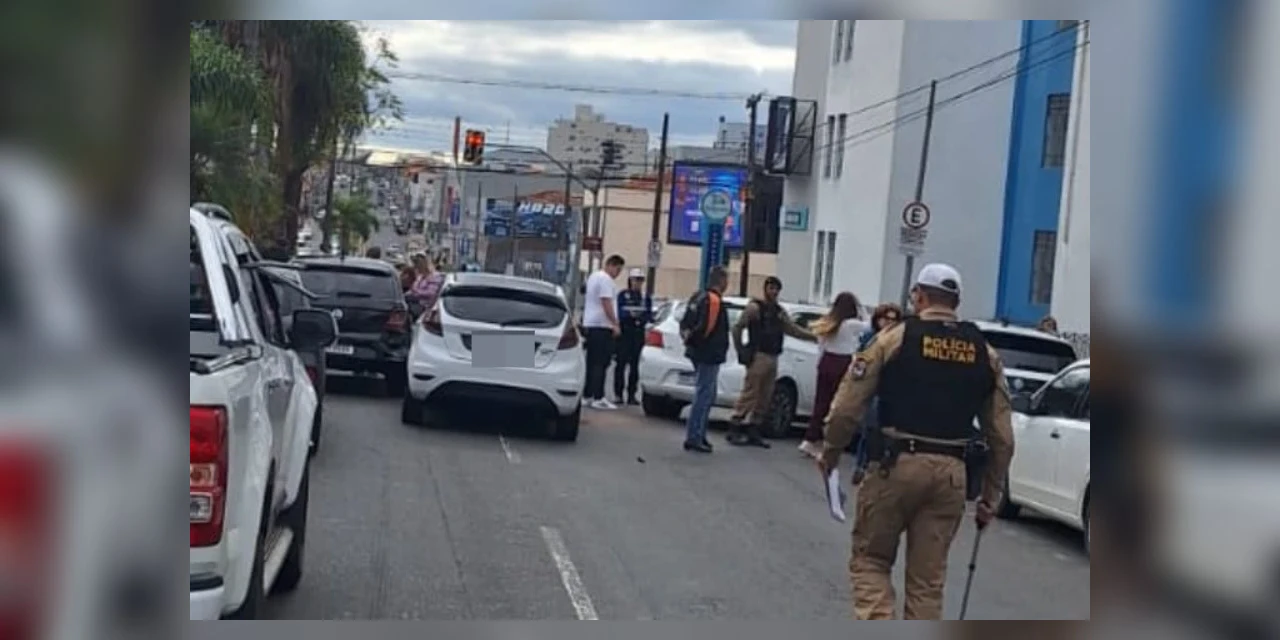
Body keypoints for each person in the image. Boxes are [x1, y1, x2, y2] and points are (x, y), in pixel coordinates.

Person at [817, 263, 1014, 620]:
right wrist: (990, 494)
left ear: (919, 296)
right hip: (952, 473)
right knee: (927, 583)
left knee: (871, 562)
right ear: (957, 301)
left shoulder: (893, 338)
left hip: (895, 465)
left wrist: (829, 453)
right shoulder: (985, 352)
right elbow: (1001, 435)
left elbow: (847, 406)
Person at [726, 276, 815, 448]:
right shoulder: (755, 308)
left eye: (776, 289)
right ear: (765, 289)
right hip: (759, 355)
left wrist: (813, 336)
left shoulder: (779, 311)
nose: (773, 292)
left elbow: (791, 329)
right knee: (750, 393)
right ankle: (735, 426)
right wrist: (742, 350)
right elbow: (738, 328)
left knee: (765, 395)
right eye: (771, 288)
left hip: (773, 356)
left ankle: (754, 428)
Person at [798, 292, 866, 459]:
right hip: (842, 363)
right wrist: (862, 309)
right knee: (837, 405)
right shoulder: (851, 325)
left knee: (821, 403)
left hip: (826, 361)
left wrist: (819, 365)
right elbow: (869, 324)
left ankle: (811, 439)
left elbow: (821, 347)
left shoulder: (828, 323)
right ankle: (828, 440)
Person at [847, 303, 903, 484]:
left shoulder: (899, 342)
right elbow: (858, 362)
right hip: (872, 389)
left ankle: (879, 466)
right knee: (869, 429)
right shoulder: (870, 338)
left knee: (885, 432)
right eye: (885, 318)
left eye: (893, 320)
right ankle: (862, 466)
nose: (888, 323)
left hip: (891, 393)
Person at [678, 266, 730, 453]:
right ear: (721, 281)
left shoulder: (697, 296)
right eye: (726, 280)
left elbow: (685, 323)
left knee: (708, 394)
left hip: (697, 351)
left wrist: (688, 339)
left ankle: (700, 434)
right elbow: (705, 328)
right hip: (708, 353)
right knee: (704, 394)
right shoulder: (714, 301)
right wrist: (699, 342)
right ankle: (694, 436)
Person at [583, 254, 626, 410]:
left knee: (591, 361)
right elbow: (606, 301)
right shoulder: (606, 280)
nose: (618, 273)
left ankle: (587, 394)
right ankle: (598, 396)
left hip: (591, 323)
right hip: (602, 325)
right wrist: (615, 323)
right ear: (611, 265)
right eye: (618, 269)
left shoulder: (594, 276)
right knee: (601, 362)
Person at [614, 268, 653, 405]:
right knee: (621, 364)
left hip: (638, 333)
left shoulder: (644, 297)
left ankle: (632, 394)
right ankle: (618, 394)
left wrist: (641, 317)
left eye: (640, 280)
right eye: (635, 280)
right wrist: (628, 315)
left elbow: (649, 315)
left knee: (635, 366)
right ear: (630, 280)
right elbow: (618, 312)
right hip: (625, 332)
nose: (637, 283)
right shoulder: (623, 295)